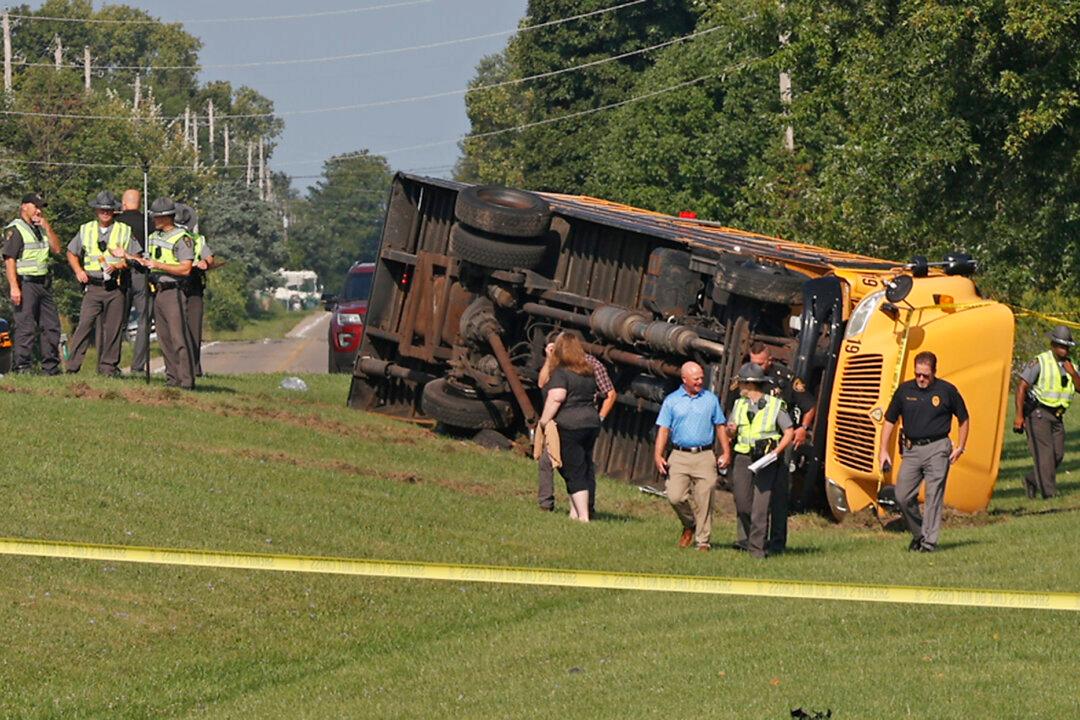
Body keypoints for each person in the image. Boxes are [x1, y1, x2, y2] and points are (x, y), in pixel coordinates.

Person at [879, 351, 969, 552]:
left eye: (925, 375)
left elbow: (963, 418)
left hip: (938, 448)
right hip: (912, 450)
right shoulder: (904, 391)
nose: (921, 379)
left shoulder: (947, 391)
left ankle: (928, 543)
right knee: (902, 496)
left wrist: (961, 447)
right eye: (918, 374)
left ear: (934, 372)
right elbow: (890, 420)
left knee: (933, 495)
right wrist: (883, 450)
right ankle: (919, 534)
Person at [654, 361, 733, 551]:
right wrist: (658, 455)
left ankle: (703, 541)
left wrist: (726, 452)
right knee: (675, 496)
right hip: (679, 455)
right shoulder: (671, 401)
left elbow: (720, 426)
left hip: (704, 455)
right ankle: (690, 524)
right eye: (695, 378)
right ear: (684, 379)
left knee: (704, 497)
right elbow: (663, 430)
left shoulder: (710, 400)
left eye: (701, 378)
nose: (700, 381)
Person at [748, 342, 816, 552]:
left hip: (780, 442)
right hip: (752, 443)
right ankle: (752, 541)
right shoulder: (745, 376)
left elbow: (809, 406)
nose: (756, 368)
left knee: (778, 493)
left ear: (770, 360)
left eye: (760, 364)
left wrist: (803, 428)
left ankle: (777, 543)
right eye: (753, 363)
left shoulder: (786, 378)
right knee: (752, 494)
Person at [537, 334, 616, 513]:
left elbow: (610, 394)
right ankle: (549, 503)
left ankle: (584, 510)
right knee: (551, 461)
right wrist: (549, 360)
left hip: (571, 424)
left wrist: (600, 417)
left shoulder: (591, 366)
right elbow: (542, 383)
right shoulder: (558, 364)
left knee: (578, 467)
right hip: (574, 421)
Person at [64, 191, 135, 377]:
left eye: (108, 210)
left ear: (114, 211)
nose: (105, 213)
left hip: (115, 286)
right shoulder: (86, 229)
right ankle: (72, 367)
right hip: (93, 286)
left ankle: (108, 368)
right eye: (102, 209)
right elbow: (71, 252)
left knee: (113, 329)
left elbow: (134, 257)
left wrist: (119, 264)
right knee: (84, 325)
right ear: (96, 210)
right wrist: (78, 271)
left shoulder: (124, 230)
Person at [727, 362, 794, 558]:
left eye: (741, 383)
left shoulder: (774, 404)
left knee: (760, 507)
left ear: (750, 384)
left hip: (766, 459)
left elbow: (789, 431)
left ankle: (757, 549)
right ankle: (751, 539)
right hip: (743, 457)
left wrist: (776, 452)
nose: (738, 387)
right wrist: (731, 431)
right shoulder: (739, 404)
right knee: (742, 503)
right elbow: (731, 432)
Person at [1013, 325, 1079, 499]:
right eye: (1061, 346)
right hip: (1038, 413)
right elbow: (1021, 387)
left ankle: (1031, 480)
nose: (1064, 350)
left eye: (1067, 346)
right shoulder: (1040, 362)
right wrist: (1019, 416)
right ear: (1053, 345)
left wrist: (1073, 374)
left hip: (1058, 416)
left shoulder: (1072, 366)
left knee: (1057, 455)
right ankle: (1049, 495)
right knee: (1045, 456)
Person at [2, 193, 62, 375]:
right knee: (26, 326)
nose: (39, 210)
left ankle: (50, 367)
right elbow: (9, 260)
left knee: (51, 326)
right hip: (25, 284)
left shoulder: (41, 228)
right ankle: (22, 366)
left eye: (40, 207)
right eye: (35, 206)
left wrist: (47, 227)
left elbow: (57, 249)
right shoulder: (15, 229)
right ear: (24, 207)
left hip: (43, 283)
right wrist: (14, 287)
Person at [141, 197, 195, 389]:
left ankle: (186, 380)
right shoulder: (152, 237)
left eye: (157, 217)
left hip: (174, 292)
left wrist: (158, 265)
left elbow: (185, 269)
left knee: (178, 337)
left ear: (167, 217)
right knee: (163, 338)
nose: (154, 220)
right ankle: (172, 378)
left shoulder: (182, 238)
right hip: (158, 292)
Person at [175, 203, 214, 377]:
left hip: (193, 286)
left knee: (194, 328)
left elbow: (209, 257)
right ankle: (176, 368)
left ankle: (195, 368)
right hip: (173, 285)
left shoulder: (197, 239)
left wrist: (205, 262)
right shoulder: (166, 239)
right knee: (175, 329)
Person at [116, 189, 150, 374]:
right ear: (140, 203)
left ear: (123, 204)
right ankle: (138, 365)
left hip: (120, 273)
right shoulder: (148, 223)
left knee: (116, 319)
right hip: (142, 274)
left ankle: (111, 362)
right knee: (144, 319)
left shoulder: (116, 222)